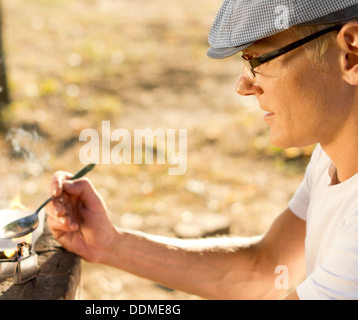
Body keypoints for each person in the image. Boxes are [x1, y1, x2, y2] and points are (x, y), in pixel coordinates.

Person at [46, 0, 358, 300]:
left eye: (259, 60)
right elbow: (264, 268)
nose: (244, 86)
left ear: (351, 54)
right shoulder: (331, 156)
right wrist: (110, 244)